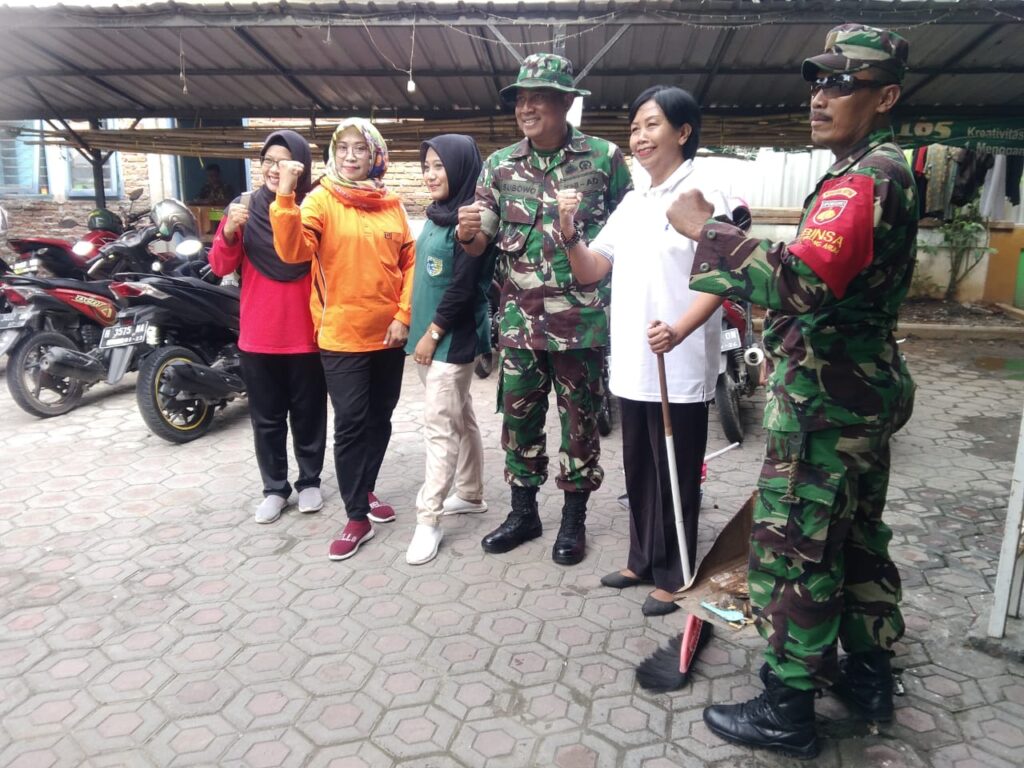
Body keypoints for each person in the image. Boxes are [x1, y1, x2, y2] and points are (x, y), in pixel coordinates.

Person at [667, 25, 917, 758]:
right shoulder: (870, 170)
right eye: (818, 81)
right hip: (858, 396)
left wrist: (705, 229)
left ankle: (787, 708)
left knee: (796, 552)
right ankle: (868, 676)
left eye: (843, 83)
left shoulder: (867, 178)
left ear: (886, 97)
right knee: (857, 538)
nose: (820, 96)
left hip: (827, 405)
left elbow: (800, 281)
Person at [554, 86, 727, 615]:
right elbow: (592, 269)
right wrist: (568, 234)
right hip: (634, 358)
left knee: (675, 468)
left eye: (652, 125)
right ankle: (642, 560)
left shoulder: (704, 192)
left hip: (678, 360)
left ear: (683, 132)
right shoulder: (632, 203)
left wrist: (679, 330)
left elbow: (724, 276)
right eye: (634, 128)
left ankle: (676, 574)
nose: (639, 136)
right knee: (640, 467)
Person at [456, 53, 632, 565]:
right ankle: (523, 514)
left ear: (566, 102)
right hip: (519, 323)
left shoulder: (604, 158)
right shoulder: (499, 165)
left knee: (580, 423)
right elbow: (481, 241)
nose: (526, 108)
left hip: (581, 323)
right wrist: (467, 233)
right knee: (519, 422)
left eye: (538, 98)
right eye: (520, 99)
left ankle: (574, 520)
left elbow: (631, 230)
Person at [271, 118, 415, 561]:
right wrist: (285, 197)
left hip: (389, 335)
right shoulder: (321, 199)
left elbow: (409, 262)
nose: (351, 156)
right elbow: (293, 251)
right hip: (342, 335)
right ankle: (356, 517)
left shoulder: (391, 204)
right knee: (351, 423)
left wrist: (404, 315)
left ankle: (365, 488)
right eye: (344, 148)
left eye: (361, 148)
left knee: (380, 418)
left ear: (376, 155)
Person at [208, 130, 328, 524]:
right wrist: (228, 231)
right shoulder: (242, 208)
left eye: (286, 162)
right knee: (266, 419)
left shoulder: (314, 208)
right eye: (269, 162)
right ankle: (275, 488)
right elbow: (220, 266)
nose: (276, 169)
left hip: (307, 333)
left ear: (302, 167)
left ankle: (309, 481)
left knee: (308, 415)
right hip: (259, 336)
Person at [405, 135, 497, 565]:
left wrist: (433, 332)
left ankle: (429, 519)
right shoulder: (436, 214)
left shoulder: (471, 217)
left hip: (451, 339)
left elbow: (462, 287)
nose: (430, 174)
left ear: (460, 168)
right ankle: (472, 493)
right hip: (429, 336)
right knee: (461, 416)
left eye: (439, 166)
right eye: (426, 166)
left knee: (439, 427)